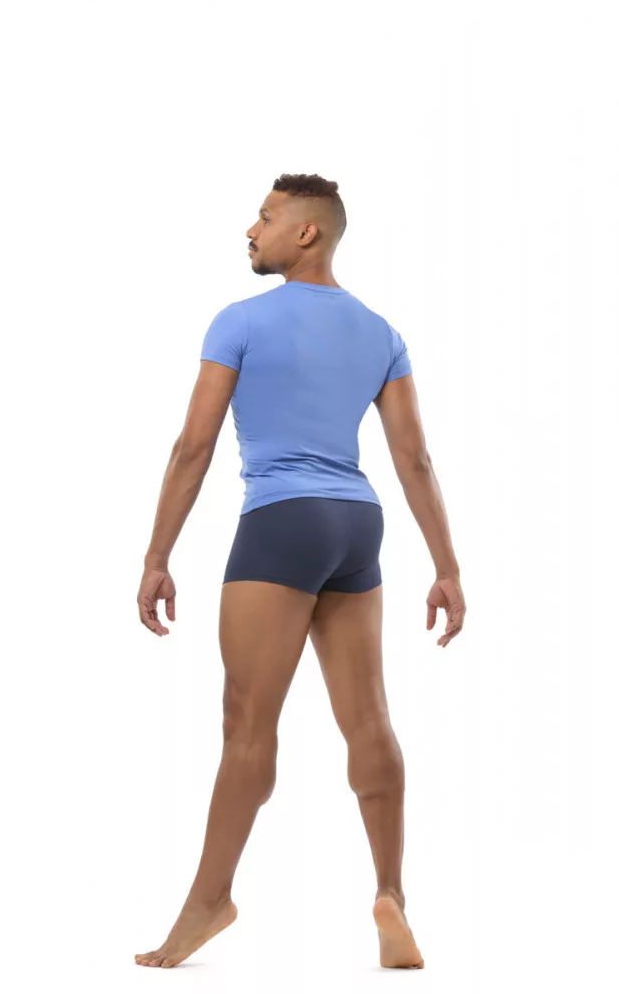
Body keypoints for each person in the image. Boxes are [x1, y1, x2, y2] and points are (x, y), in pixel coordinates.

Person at [135, 173, 466, 970]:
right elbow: (414, 458)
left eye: (266, 217)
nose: (251, 230)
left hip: (282, 524)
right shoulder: (381, 332)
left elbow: (192, 447)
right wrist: (448, 568)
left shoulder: (242, 320)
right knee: (370, 718)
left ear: (307, 233)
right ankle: (391, 893)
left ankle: (209, 903)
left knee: (248, 726)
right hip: (357, 526)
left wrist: (156, 556)